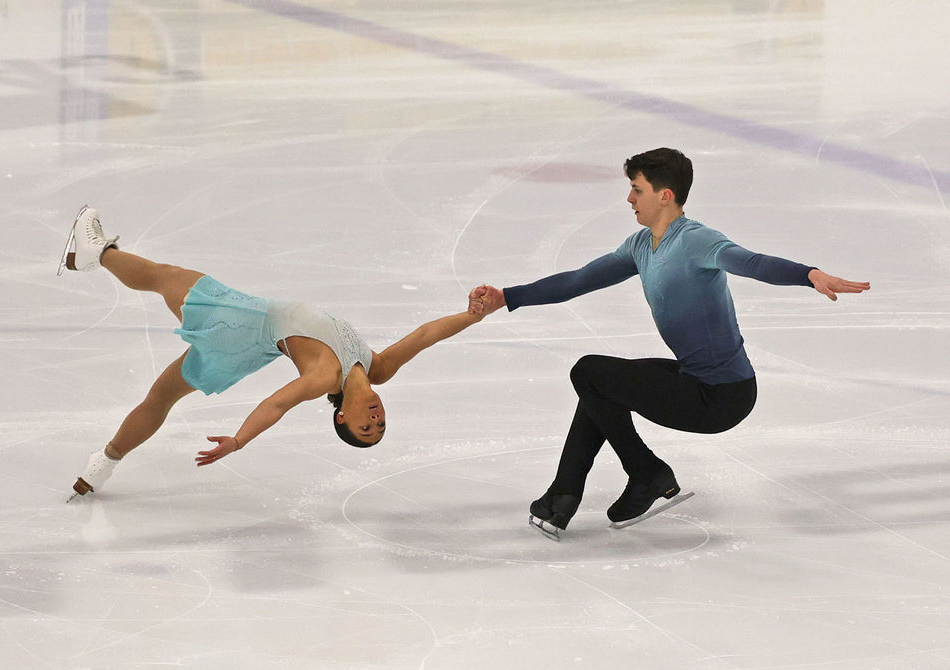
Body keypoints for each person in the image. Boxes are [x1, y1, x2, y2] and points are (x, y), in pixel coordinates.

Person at [469, 148, 870, 539]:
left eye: (637, 189)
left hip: (722, 397)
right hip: (694, 380)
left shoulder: (698, 241)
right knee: (598, 388)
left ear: (664, 195)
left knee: (589, 372)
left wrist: (809, 275)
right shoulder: (640, 246)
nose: (629, 199)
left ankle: (645, 472)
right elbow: (578, 280)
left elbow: (751, 262)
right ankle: (563, 497)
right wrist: (507, 297)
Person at [59, 206, 484, 501]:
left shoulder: (324, 377)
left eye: (365, 428)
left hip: (238, 324)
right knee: (160, 398)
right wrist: (473, 315)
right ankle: (102, 465)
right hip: (247, 342)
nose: (375, 419)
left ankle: (97, 252)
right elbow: (425, 335)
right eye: (381, 424)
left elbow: (276, 404)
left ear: (341, 417)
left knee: (163, 276)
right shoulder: (378, 367)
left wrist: (239, 441)